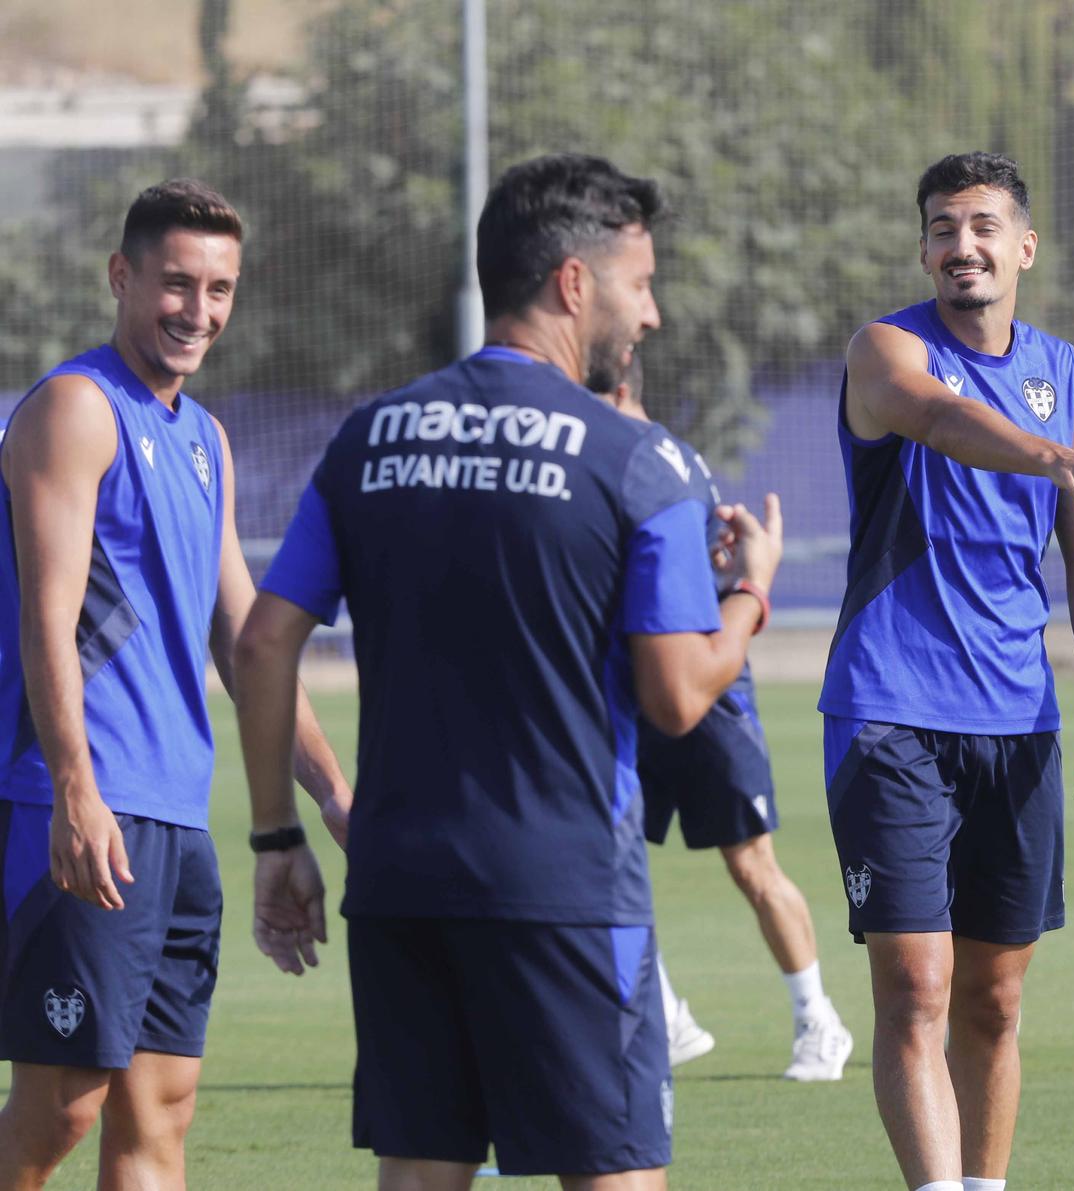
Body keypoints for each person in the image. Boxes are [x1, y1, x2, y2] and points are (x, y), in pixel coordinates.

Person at [231, 153, 781, 1190]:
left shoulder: (369, 440)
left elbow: (263, 644)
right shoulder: (636, 460)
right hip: (562, 887)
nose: (651, 315)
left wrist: (275, 838)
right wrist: (749, 594)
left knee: (421, 1174)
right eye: (641, 282)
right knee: (612, 1172)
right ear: (575, 284)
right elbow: (673, 698)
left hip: (398, 883)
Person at [0, 179, 352, 1190]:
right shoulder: (75, 408)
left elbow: (248, 639)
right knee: (62, 1107)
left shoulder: (205, 438)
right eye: (175, 283)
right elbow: (48, 616)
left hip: (177, 821)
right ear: (121, 276)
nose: (198, 310)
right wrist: (74, 789)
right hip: (79, 808)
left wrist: (331, 797)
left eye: (219, 289)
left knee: (159, 1118)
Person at [822, 151, 1074, 1191]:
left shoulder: (1068, 374)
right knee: (914, 985)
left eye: (984, 225)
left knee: (993, 1001)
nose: (964, 245)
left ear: (1023, 247)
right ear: (923, 248)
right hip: (889, 711)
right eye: (943, 227)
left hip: (1017, 720)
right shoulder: (885, 350)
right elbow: (938, 418)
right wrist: (1048, 456)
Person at [595, 360, 854, 1081]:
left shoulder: (660, 457)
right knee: (601, 856)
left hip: (704, 678)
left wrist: (741, 573)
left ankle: (818, 1019)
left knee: (752, 863)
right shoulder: (595, 450)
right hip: (624, 680)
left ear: (618, 383)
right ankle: (667, 1017)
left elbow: (704, 558)